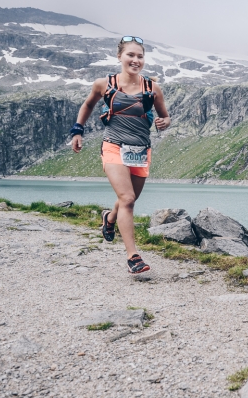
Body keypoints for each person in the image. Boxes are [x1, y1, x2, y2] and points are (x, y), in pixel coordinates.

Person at [69, 36, 171, 273]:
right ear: (119, 57)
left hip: (140, 149)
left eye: (140, 56)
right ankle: (133, 257)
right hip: (113, 145)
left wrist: (164, 122)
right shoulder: (104, 84)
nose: (136, 60)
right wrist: (77, 130)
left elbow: (165, 116)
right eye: (130, 55)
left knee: (129, 198)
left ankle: (109, 218)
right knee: (127, 199)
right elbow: (88, 105)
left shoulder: (152, 89)